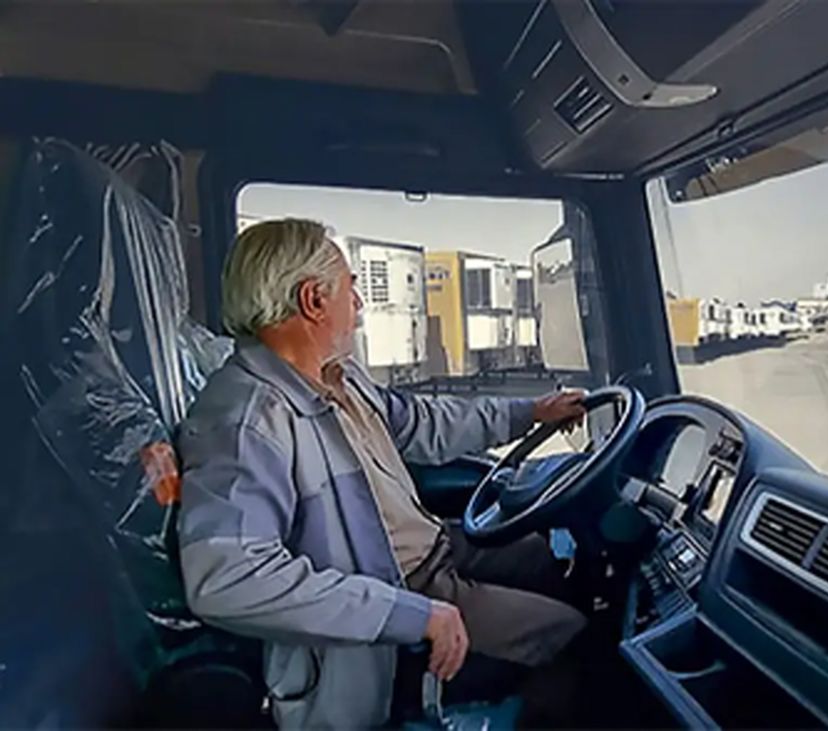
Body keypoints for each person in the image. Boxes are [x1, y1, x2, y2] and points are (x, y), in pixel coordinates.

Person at [177, 219, 587, 729]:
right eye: (350, 289)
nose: (359, 305)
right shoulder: (249, 421)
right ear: (314, 300)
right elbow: (229, 578)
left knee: (552, 560)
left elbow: (421, 422)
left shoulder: (338, 378)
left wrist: (531, 412)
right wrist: (410, 614)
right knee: (573, 639)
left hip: (435, 550)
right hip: (396, 593)